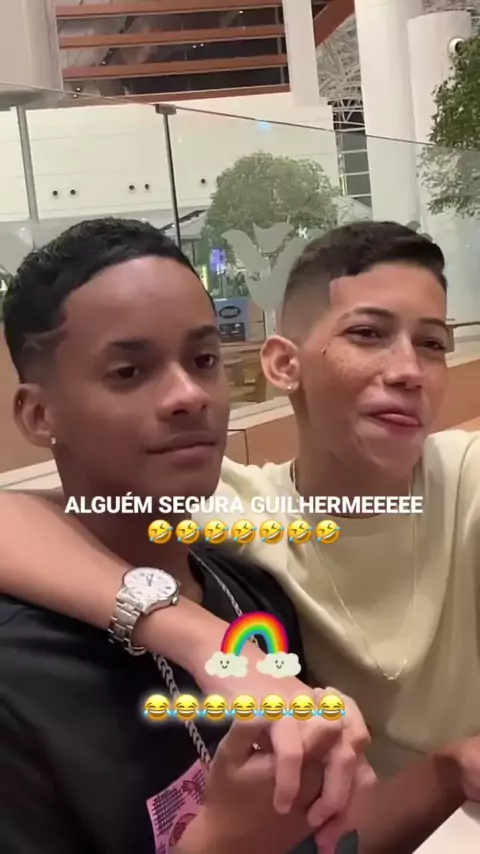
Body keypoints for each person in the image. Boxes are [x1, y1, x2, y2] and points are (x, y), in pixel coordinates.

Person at [0, 219, 472, 852]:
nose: (189, 395)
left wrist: (449, 771)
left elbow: (328, 838)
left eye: (203, 361)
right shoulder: (20, 678)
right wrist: (221, 841)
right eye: (129, 372)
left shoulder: (251, 593)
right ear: (38, 414)